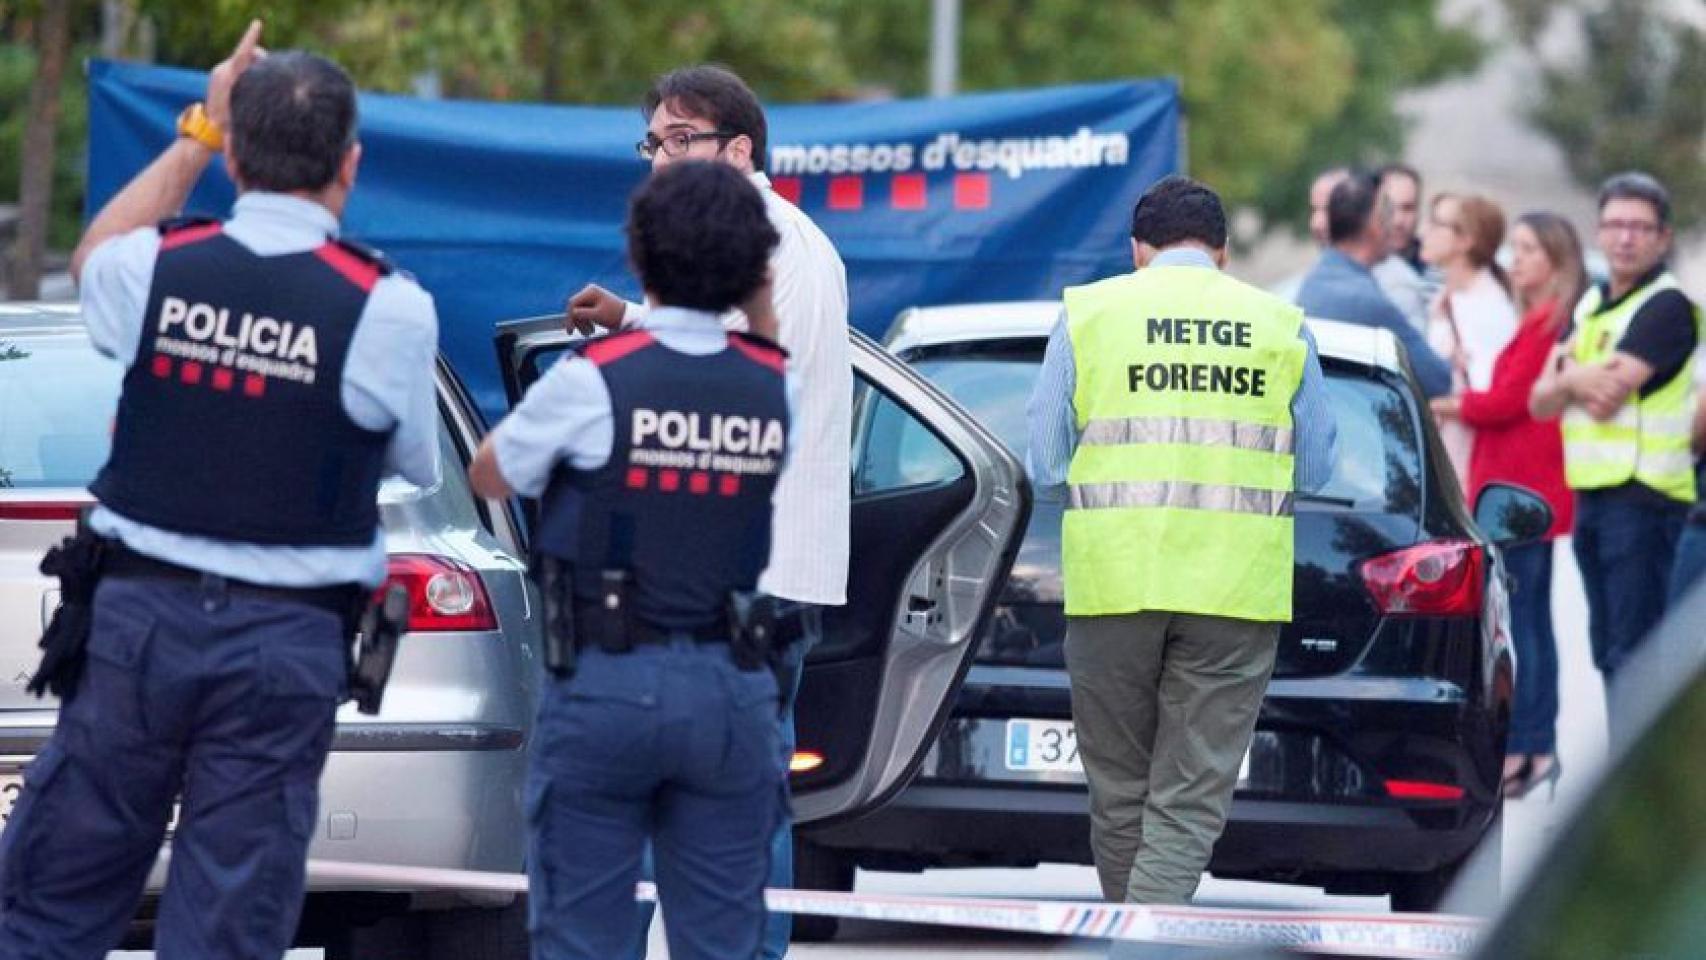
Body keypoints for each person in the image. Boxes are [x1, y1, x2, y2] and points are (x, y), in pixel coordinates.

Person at [0, 23, 441, 959]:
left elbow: (93, 254)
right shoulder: (386, 306)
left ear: (234, 153)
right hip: (283, 649)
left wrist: (197, 127)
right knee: (230, 923)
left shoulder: (156, 266)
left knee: (54, 898)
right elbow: (414, 464)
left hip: (137, 630)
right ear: (349, 166)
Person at [471, 160, 792, 960]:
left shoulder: (597, 379)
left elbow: (490, 470)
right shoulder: (770, 385)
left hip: (608, 683)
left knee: (584, 936)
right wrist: (756, 293)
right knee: (721, 939)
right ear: (754, 268)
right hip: (731, 689)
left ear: (641, 259)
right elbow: (761, 351)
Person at [564, 64, 850, 958]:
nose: (660, 158)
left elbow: (724, 379)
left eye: (679, 139)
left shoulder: (754, 241)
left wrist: (627, 333)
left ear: (739, 149)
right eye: (653, 142)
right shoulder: (765, 238)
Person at [1027, 175, 1337, 905]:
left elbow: (1044, 462)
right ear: (1223, 255)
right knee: (1188, 796)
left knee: (1118, 790)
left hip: (1113, 583)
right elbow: (1318, 465)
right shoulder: (1281, 323)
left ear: (1139, 251)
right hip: (1234, 590)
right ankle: (1145, 938)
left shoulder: (1088, 313)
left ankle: (1132, 938)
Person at [1530, 171, 1702, 743]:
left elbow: (1605, 397)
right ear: (1599, 232)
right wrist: (1578, 379)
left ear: (1662, 236)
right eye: (1615, 225)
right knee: (1608, 651)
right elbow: (1540, 401)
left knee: (1636, 655)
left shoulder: (1667, 306)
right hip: (1596, 496)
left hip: (1648, 498)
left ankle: (1640, 801)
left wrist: (1570, 376)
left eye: (1639, 227)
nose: (1626, 238)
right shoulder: (1591, 306)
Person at [1432, 211, 1583, 799]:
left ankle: (1531, 744)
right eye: (1515, 248)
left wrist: (1449, 402)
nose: (1515, 259)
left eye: (1528, 250)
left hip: (1526, 488)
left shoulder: (1548, 324)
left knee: (1527, 624)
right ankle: (1532, 743)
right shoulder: (1533, 321)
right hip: (1515, 481)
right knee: (1529, 619)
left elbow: (1504, 403)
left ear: (1555, 260)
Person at [1295, 170, 1453, 398]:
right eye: (1388, 211)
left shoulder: (1316, 280)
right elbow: (1437, 379)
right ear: (1374, 223)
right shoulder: (1365, 301)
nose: (1395, 222)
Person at [1419, 193, 1519, 487]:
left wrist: (1437, 402)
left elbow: (1490, 395)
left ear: (1466, 241)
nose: (1424, 231)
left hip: (1466, 464)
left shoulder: (1488, 306)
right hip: (1446, 454)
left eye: (1437, 223)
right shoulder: (1449, 297)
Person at [1370, 163, 1430, 330]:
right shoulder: (1357, 269)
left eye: (1407, 208)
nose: (1398, 220)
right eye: (1389, 208)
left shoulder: (1439, 274)